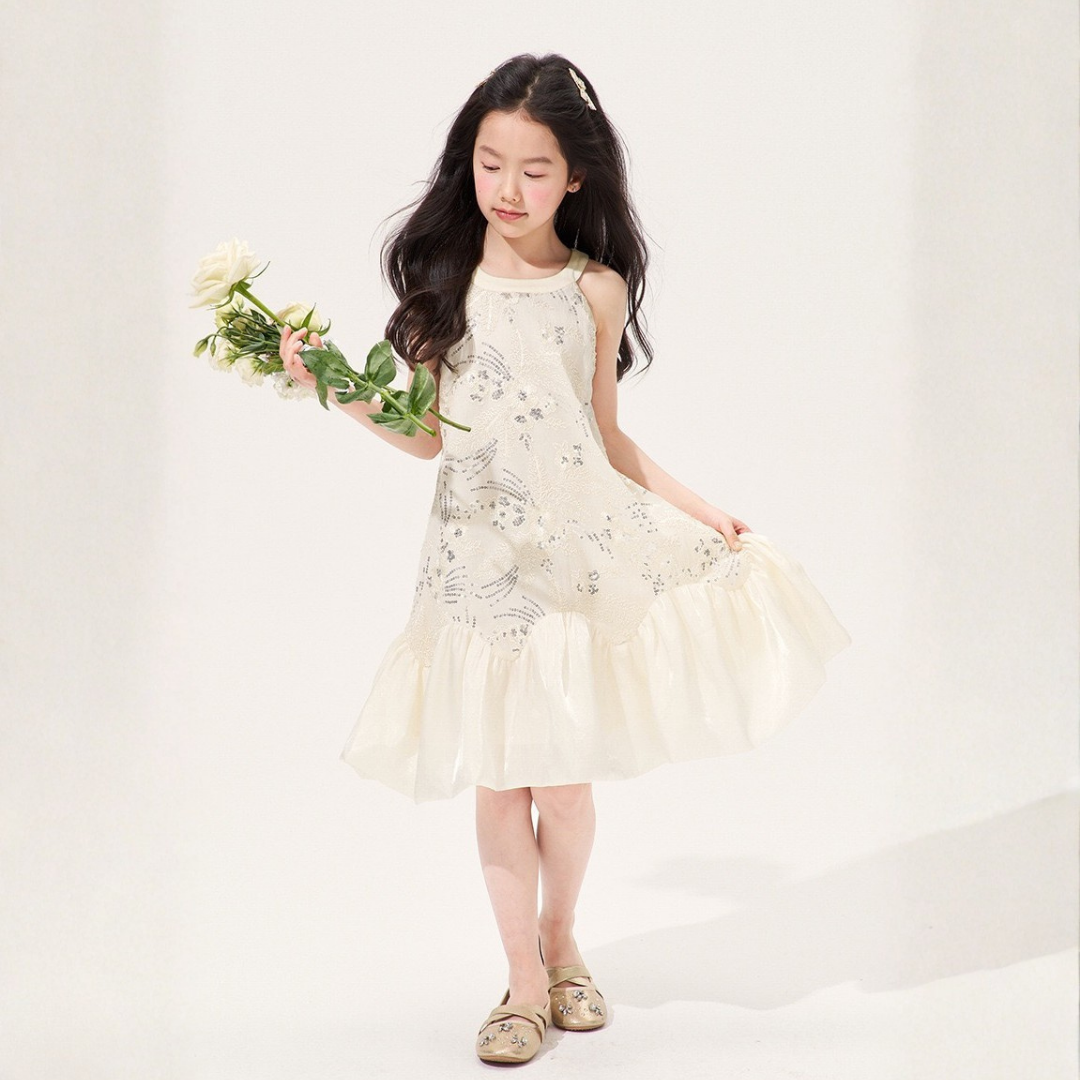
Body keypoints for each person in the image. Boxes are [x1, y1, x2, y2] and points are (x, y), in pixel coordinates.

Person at [279, 52, 851, 1066]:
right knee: (501, 782)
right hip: (478, 568)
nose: (508, 188)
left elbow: (606, 437)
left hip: (574, 559)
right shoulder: (445, 288)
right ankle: (523, 983)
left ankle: (561, 939)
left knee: (567, 786)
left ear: (575, 176)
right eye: (490, 164)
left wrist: (703, 511)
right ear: (467, 163)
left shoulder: (595, 290)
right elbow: (428, 437)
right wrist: (333, 383)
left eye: (534, 169)